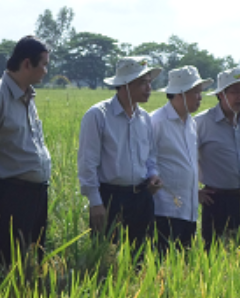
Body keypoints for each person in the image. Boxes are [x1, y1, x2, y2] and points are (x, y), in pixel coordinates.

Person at [0, 35, 51, 276]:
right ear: (27, 64)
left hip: (35, 196)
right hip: (8, 197)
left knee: (29, 267)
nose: (46, 71)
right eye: (43, 64)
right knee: (0, 267)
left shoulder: (28, 96)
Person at [77, 56, 163, 251]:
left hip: (141, 198)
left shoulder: (145, 119)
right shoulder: (97, 115)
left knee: (140, 258)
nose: (149, 88)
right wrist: (95, 202)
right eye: (142, 83)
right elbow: (87, 162)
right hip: (110, 198)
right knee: (107, 259)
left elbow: (150, 156)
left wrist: (153, 175)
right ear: (125, 84)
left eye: (149, 82)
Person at [195, 68, 240, 249]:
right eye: (234, 91)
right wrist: (194, 191)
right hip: (216, 199)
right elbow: (186, 159)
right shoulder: (202, 122)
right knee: (213, 252)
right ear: (220, 94)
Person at [151, 66, 212, 252]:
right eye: (195, 92)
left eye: (200, 92)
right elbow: (147, 159)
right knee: (163, 267)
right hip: (164, 211)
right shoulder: (157, 121)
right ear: (179, 94)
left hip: (189, 211)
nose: (200, 97)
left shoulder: (191, 124)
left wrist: (195, 191)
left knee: (183, 266)